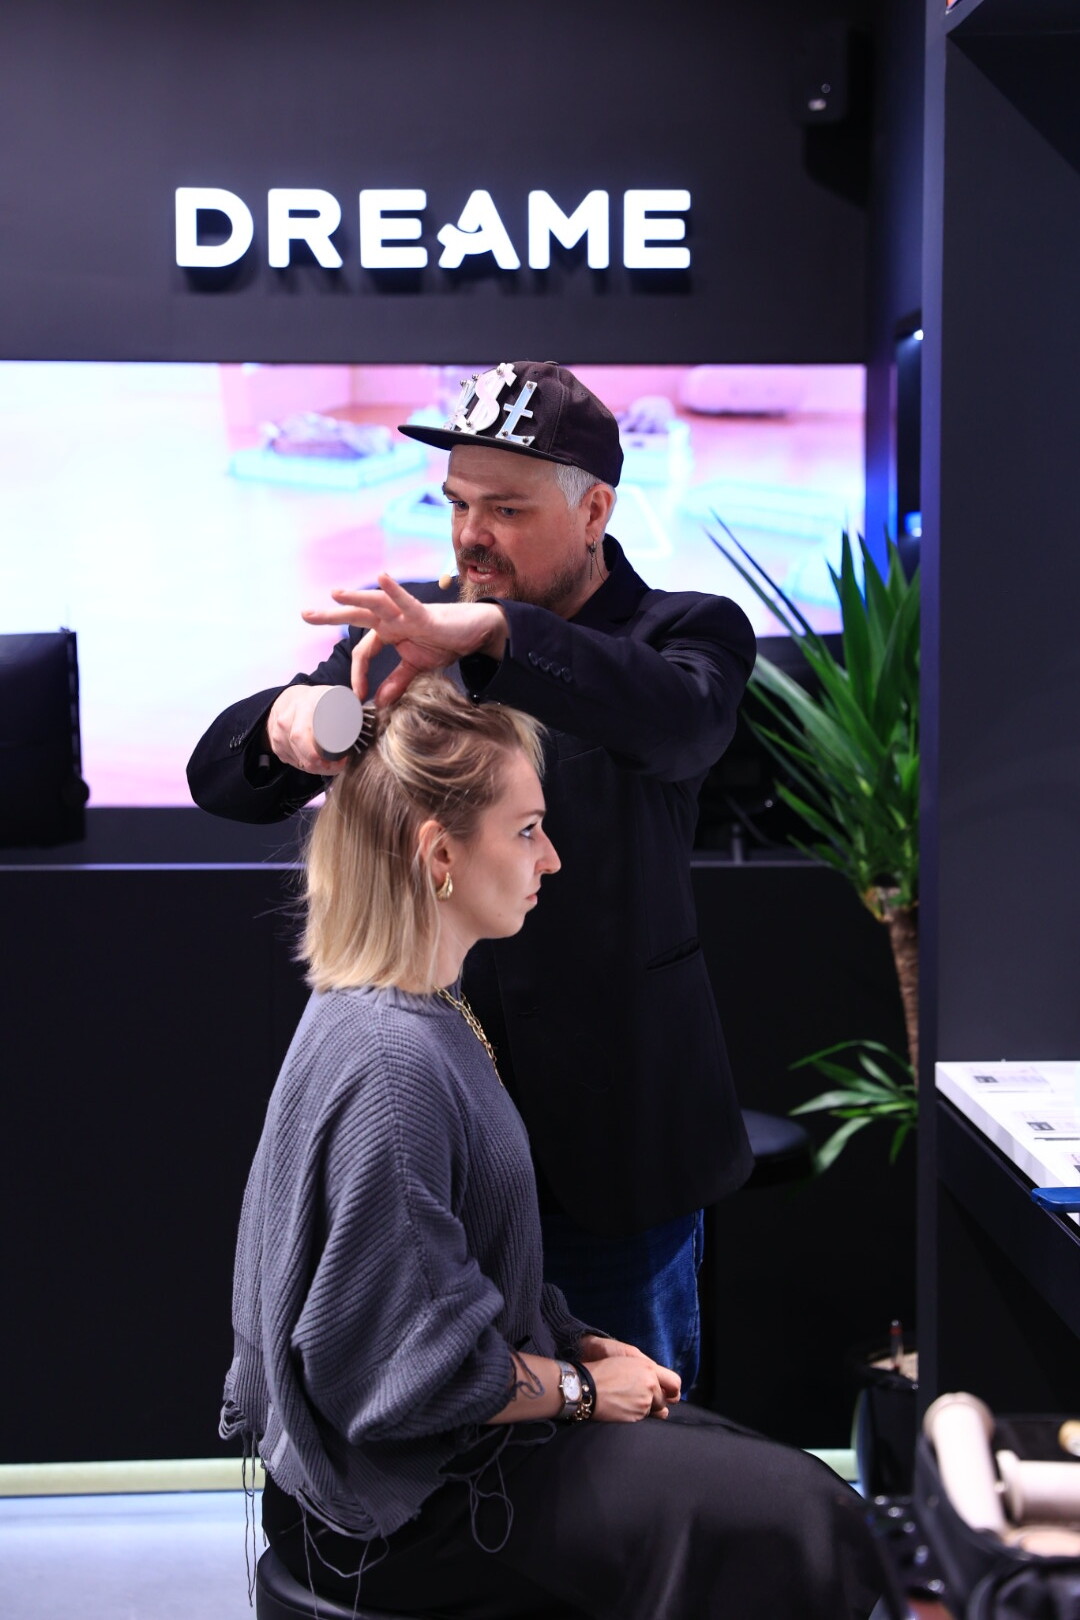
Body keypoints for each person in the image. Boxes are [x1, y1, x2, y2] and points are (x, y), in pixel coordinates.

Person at [221, 675, 891, 1620]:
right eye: (529, 830)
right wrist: (581, 1388)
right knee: (804, 1523)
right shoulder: (393, 1063)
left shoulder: (422, 1010)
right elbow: (394, 1379)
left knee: (788, 1493)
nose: (554, 857)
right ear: (439, 854)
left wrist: (576, 1338)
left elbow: (457, 1280)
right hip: (408, 1519)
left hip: (444, 1467)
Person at [188, 361, 756, 1389]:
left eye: (506, 509)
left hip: (615, 1153)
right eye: (457, 504)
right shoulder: (412, 632)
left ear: (595, 511)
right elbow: (222, 777)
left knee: (633, 1433)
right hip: (428, 1138)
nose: (470, 536)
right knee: (446, 1424)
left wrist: (494, 635)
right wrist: (287, 725)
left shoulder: (685, 632)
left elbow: (676, 726)